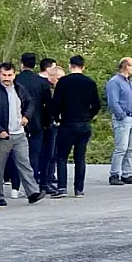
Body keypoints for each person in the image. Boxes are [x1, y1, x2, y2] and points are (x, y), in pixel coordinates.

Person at [0, 62, 44, 206]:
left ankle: (33, 192)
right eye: (4, 75)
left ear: (14, 75)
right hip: (1, 135)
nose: (7, 78)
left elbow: (30, 103)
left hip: (19, 134)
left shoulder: (20, 89)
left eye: (9, 75)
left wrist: (26, 116)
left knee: (25, 163)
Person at [50, 55, 101, 198]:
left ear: (69, 65)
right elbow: (96, 105)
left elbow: (56, 103)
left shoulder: (64, 82)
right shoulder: (90, 82)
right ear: (83, 66)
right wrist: (88, 116)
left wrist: (56, 118)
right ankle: (79, 189)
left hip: (67, 123)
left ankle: (62, 188)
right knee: (80, 157)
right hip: (84, 124)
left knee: (62, 157)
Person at [14, 52, 52, 193]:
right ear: (35, 64)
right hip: (37, 122)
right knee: (35, 154)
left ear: (21, 63)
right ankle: (33, 184)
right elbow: (48, 105)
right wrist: (47, 122)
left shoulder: (15, 80)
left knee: (17, 155)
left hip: (17, 121)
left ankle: (16, 185)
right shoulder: (41, 82)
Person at [106, 56, 132, 185]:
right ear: (126, 66)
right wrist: (121, 115)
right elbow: (113, 102)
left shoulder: (129, 81)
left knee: (131, 148)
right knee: (121, 147)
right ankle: (115, 174)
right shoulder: (115, 82)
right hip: (124, 118)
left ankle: (127, 173)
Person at [39, 65, 64, 195]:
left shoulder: (60, 89)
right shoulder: (46, 89)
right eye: (58, 78)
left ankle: (50, 178)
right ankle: (45, 181)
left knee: (54, 154)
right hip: (49, 125)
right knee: (48, 154)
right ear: (51, 77)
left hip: (57, 124)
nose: (61, 81)